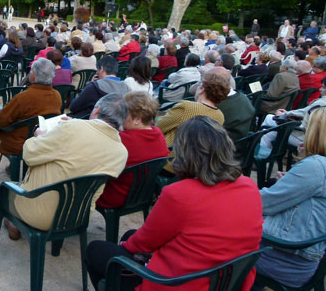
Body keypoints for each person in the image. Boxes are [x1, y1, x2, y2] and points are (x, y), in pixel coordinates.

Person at [86, 116, 262, 291]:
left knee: (96, 250)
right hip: (228, 282)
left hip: (180, 283)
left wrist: (127, 248)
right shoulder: (248, 186)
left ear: (184, 153)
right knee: (130, 235)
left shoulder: (180, 194)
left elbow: (143, 243)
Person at [0, 93, 129, 247]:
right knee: (25, 182)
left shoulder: (72, 128)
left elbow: (29, 155)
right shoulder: (121, 152)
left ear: (97, 109)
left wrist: (40, 136)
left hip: (40, 212)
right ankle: (13, 223)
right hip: (77, 216)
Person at [255, 107, 326, 288]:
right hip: (302, 256)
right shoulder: (317, 167)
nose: (302, 133)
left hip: (283, 258)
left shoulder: (316, 166)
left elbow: (263, 204)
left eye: (305, 129)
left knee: (215, 241)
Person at [0, 59, 62, 183]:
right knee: (20, 126)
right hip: (41, 140)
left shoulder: (24, 97)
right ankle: (11, 166)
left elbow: (1, 120)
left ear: (33, 75)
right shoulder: (56, 95)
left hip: (17, 143)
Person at [96, 92, 169, 209]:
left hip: (115, 195)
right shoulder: (158, 134)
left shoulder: (123, 139)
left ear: (137, 119)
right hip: (143, 194)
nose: (121, 117)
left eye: (124, 114)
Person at [156, 72, 228, 171]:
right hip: (196, 165)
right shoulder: (220, 115)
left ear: (202, 89)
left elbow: (158, 127)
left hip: (169, 161)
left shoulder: (186, 107)